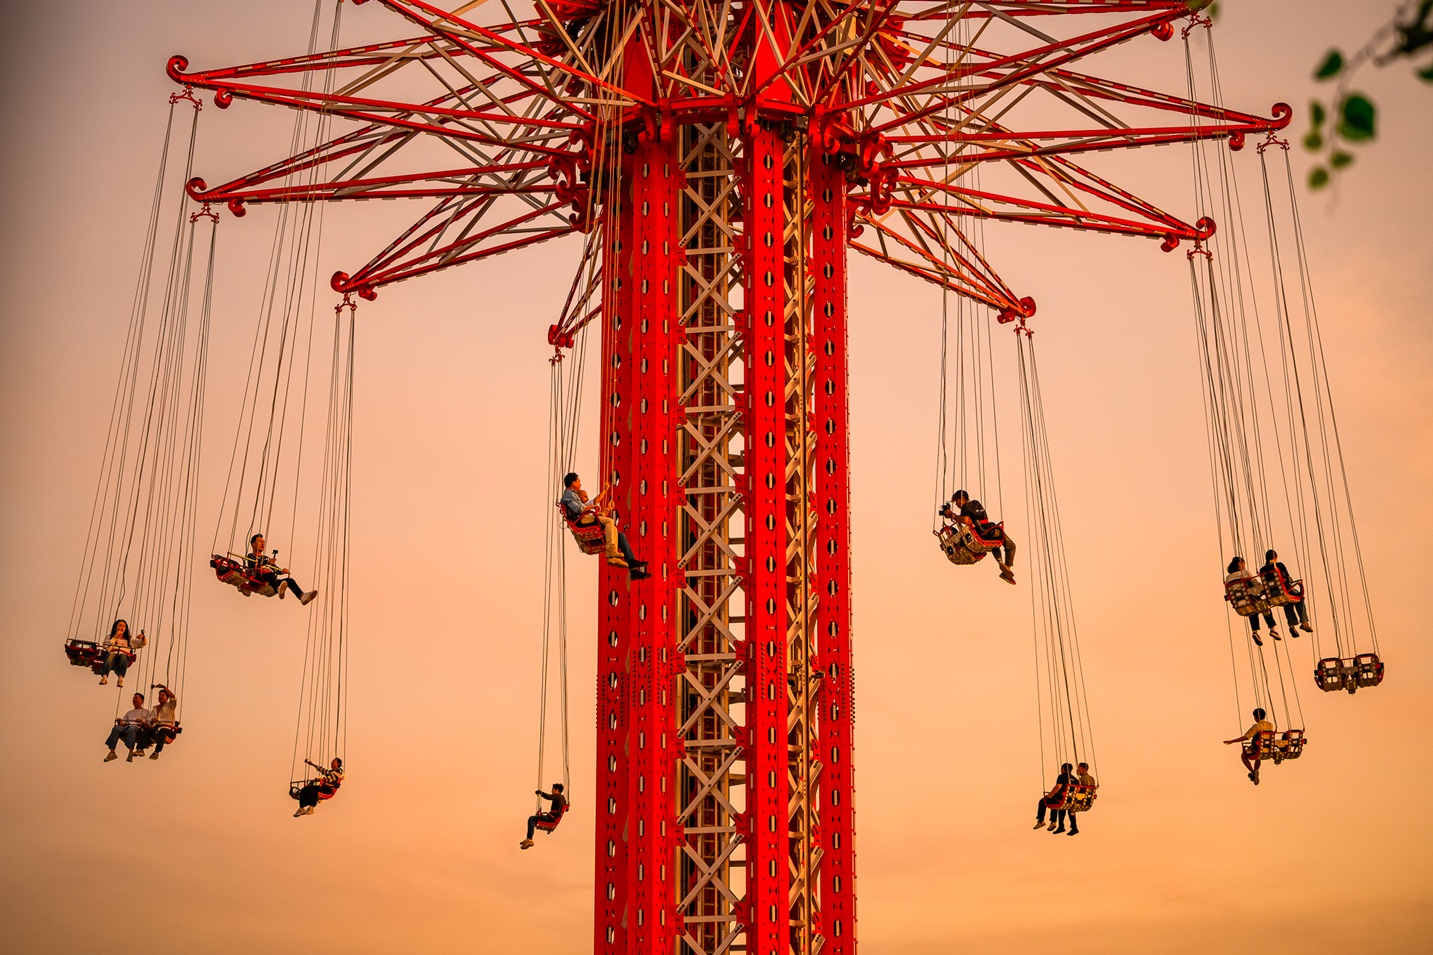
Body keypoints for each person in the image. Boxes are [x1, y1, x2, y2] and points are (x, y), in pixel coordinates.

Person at [560, 473, 650, 580]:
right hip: (581, 521)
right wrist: (592, 507)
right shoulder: (570, 494)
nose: (580, 483)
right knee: (610, 522)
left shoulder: (573, 495)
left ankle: (632, 566)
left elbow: (595, 512)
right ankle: (611, 551)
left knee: (620, 536)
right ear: (573, 482)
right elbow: (579, 509)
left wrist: (605, 508)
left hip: (585, 519)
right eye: (578, 481)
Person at [945, 490, 1016, 584]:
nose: (957, 505)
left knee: (996, 544)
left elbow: (965, 520)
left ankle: (1003, 565)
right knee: (1004, 545)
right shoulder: (976, 503)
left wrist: (952, 515)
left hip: (984, 532)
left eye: (957, 501)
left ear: (962, 498)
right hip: (990, 529)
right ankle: (1005, 566)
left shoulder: (966, 506)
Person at [245, 533, 317, 605]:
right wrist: (269, 561)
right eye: (260, 541)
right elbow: (256, 562)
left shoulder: (266, 557)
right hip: (257, 576)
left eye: (263, 542)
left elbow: (274, 568)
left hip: (269, 579)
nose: (262, 544)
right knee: (270, 574)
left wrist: (281, 571)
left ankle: (301, 596)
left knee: (290, 581)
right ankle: (278, 588)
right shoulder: (251, 555)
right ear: (253, 544)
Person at [1225, 556, 1277, 646]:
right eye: (1244, 564)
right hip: (1251, 598)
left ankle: (1255, 632)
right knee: (1265, 608)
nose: (1244, 566)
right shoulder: (1245, 572)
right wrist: (1263, 589)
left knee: (1252, 611)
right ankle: (1272, 629)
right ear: (1239, 564)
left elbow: (1228, 592)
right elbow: (1255, 583)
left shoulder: (1228, 578)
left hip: (1239, 603)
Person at [1260, 549, 1313, 635]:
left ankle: (1292, 626)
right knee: (1300, 597)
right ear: (1275, 557)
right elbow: (1288, 579)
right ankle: (1304, 622)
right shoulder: (1279, 565)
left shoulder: (1262, 569)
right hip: (1283, 591)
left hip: (1271, 594)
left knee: (1288, 602)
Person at [1223, 707, 1275, 785]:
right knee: (1259, 755)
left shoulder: (1257, 726)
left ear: (1256, 717)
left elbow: (1246, 737)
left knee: (1243, 756)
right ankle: (1256, 770)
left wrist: (1232, 741)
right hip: (1267, 747)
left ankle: (1253, 772)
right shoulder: (1271, 725)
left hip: (1256, 749)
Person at [103, 693, 151, 763]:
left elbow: (149, 723)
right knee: (116, 729)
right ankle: (112, 752)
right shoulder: (129, 712)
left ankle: (130, 751)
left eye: (136, 698)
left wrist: (142, 722)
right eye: (133, 698)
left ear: (142, 701)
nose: (134, 700)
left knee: (131, 729)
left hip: (138, 728)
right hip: (128, 727)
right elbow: (123, 723)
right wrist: (120, 721)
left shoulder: (146, 712)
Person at [520, 783, 568, 849]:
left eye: (553, 789)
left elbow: (548, 796)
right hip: (553, 818)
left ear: (557, 790)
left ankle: (529, 839)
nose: (552, 791)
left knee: (531, 819)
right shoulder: (562, 798)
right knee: (534, 820)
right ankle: (529, 838)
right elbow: (566, 808)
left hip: (551, 818)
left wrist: (540, 793)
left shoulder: (557, 796)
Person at [1032, 762, 1073, 833]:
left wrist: (1050, 794)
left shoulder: (1061, 776)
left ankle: (1041, 820)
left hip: (1060, 798)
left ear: (1063, 769)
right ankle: (1053, 822)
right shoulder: (1074, 779)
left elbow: (1058, 786)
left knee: (1043, 801)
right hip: (1068, 799)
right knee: (1054, 802)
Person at [142, 686, 180, 760]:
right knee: (147, 729)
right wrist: (152, 720)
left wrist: (164, 687)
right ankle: (140, 749)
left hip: (167, 730)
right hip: (157, 729)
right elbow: (150, 721)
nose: (160, 696)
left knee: (163, 731)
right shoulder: (155, 709)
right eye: (159, 695)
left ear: (167, 698)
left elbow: (173, 697)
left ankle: (157, 751)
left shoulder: (170, 706)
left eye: (163, 695)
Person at [98, 619, 134, 687]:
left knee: (124, 656)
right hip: (112, 652)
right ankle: (105, 676)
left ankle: (120, 678)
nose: (122, 627)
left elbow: (138, 643)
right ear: (115, 627)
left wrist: (143, 639)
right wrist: (114, 638)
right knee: (111, 655)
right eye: (120, 625)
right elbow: (107, 647)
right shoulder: (109, 637)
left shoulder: (128, 639)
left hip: (123, 654)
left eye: (124, 626)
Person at [1066, 762, 1097, 837]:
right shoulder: (1091, 779)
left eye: (1079, 768)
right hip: (1088, 800)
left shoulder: (1081, 779)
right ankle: (1073, 827)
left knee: (1069, 806)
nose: (1077, 770)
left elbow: (1079, 790)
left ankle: (1074, 827)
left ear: (1083, 769)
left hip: (1081, 799)